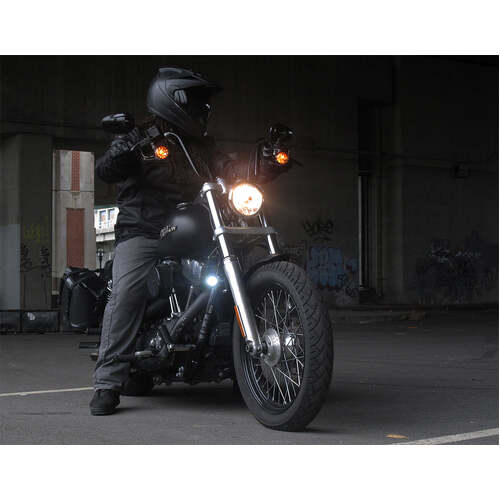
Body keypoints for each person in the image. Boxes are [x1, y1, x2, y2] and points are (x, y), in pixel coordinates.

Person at [90, 67, 286, 415]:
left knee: (242, 266)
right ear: (173, 100)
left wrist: (267, 164)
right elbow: (106, 168)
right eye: (196, 102)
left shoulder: (203, 146)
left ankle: (245, 362)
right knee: (127, 292)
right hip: (145, 228)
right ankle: (107, 382)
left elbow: (232, 171)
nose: (203, 110)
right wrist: (124, 154)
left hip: (197, 224)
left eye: (204, 104)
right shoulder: (141, 135)